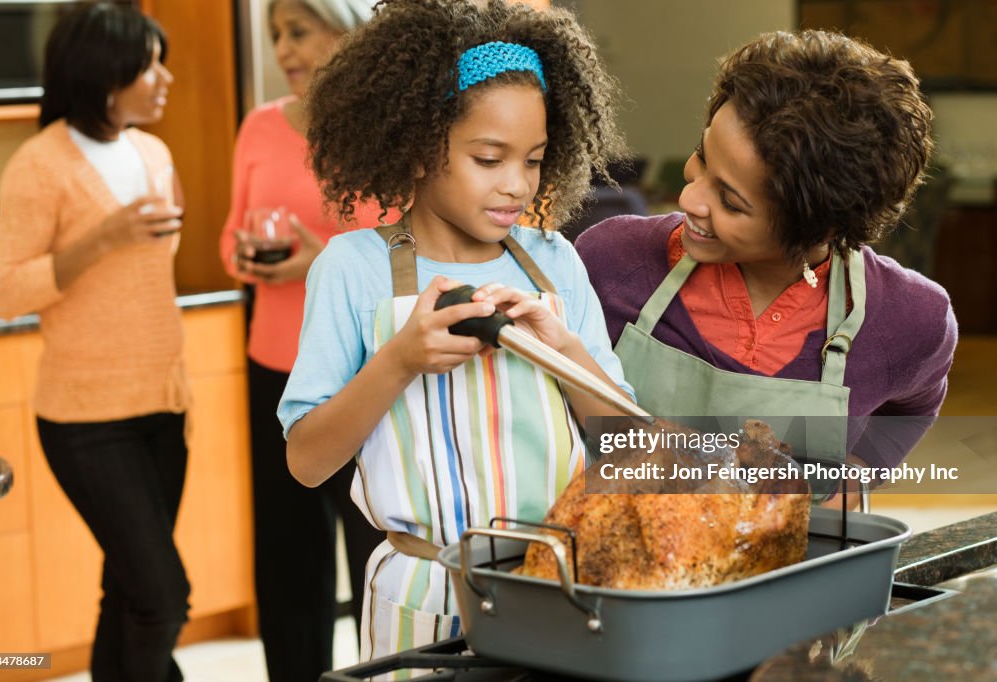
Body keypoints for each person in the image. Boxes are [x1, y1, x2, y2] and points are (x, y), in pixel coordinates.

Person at [277, 0, 632, 662]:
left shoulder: (555, 261)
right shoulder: (353, 269)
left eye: (533, 159)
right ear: (415, 148)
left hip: (558, 585)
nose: (517, 185)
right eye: (489, 158)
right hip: (423, 597)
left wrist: (567, 352)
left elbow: (628, 446)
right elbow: (306, 461)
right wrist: (399, 361)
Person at [576, 30, 958, 493]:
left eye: (731, 203)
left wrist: (855, 480)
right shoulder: (610, 262)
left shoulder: (911, 318)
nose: (689, 198)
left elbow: (916, 403)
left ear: (819, 227)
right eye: (701, 157)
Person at [0, 4, 188, 682]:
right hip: (84, 420)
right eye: (149, 63)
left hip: (164, 405)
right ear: (105, 74)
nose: (165, 77)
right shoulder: (38, 165)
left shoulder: (155, 152)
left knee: (130, 593)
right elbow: (8, 292)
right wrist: (102, 239)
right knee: (164, 600)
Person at [218, 0, 389, 678]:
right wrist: (247, 256)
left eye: (298, 32)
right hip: (274, 366)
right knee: (289, 558)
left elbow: (400, 250)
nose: (284, 50)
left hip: (364, 372)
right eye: (276, 36)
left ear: (345, 32)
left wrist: (326, 257)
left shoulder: (383, 133)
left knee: (374, 545)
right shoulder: (258, 127)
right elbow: (230, 238)